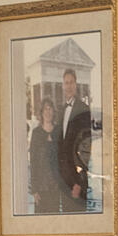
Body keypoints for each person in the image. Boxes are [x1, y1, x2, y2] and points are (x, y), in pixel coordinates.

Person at [54, 68, 96, 211]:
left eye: (71, 82)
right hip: (63, 177)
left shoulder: (83, 109)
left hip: (77, 178)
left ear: (76, 84)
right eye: (66, 83)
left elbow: (86, 147)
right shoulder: (61, 110)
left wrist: (78, 182)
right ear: (63, 85)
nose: (69, 86)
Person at [27, 91, 60, 215]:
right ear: (41, 112)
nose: (48, 111)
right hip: (41, 188)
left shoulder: (58, 131)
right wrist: (34, 190)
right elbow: (33, 163)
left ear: (53, 111)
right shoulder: (36, 133)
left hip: (55, 188)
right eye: (45, 109)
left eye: (50, 108)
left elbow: (62, 159)